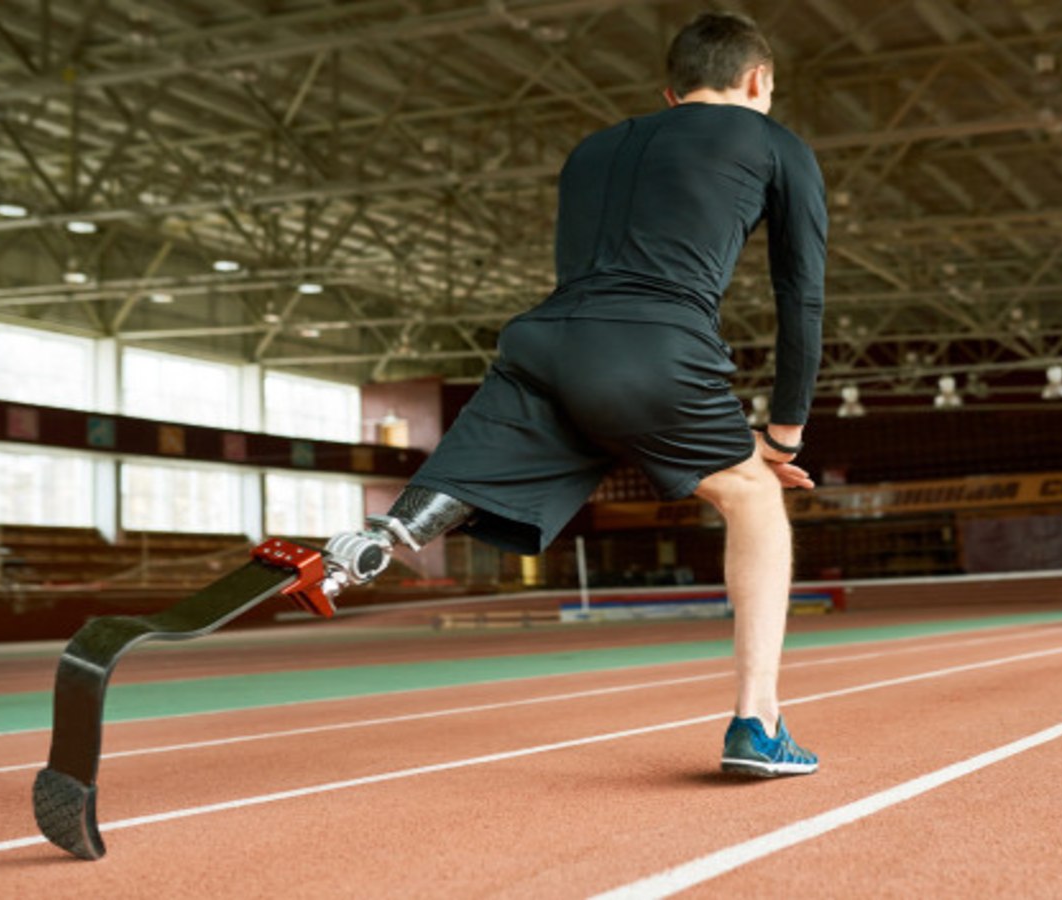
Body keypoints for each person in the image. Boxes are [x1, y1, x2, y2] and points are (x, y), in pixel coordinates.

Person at [333, 11, 825, 776]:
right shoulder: (774, 143)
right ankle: (758, 722)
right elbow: (803, 298)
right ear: (759, 80)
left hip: (541, 345)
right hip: (652, 344)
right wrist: (783, 438)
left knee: (486, 466)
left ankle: (384, 537)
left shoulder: (593, 149)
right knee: (753, 495)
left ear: (671, 92)